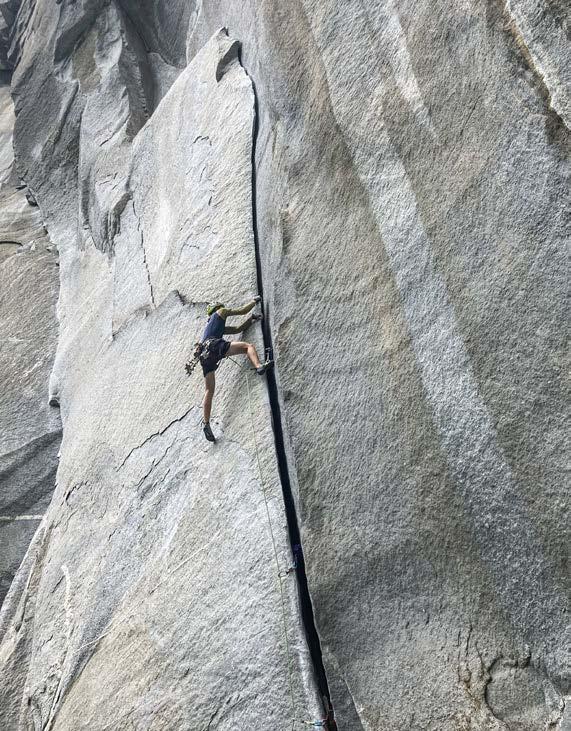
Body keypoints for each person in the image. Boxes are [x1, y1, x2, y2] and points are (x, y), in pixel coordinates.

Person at [194, 296, 273, 442]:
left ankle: (206, 423)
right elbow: (242, 311)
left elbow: (237, 329)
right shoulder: (221, 312)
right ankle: (259, 366)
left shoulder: (212, 327)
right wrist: (254, 301)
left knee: (209, 390)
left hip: (205, 356)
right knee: (248, 347)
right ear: (218, 308)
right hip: (214, 346)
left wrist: (251, 319)